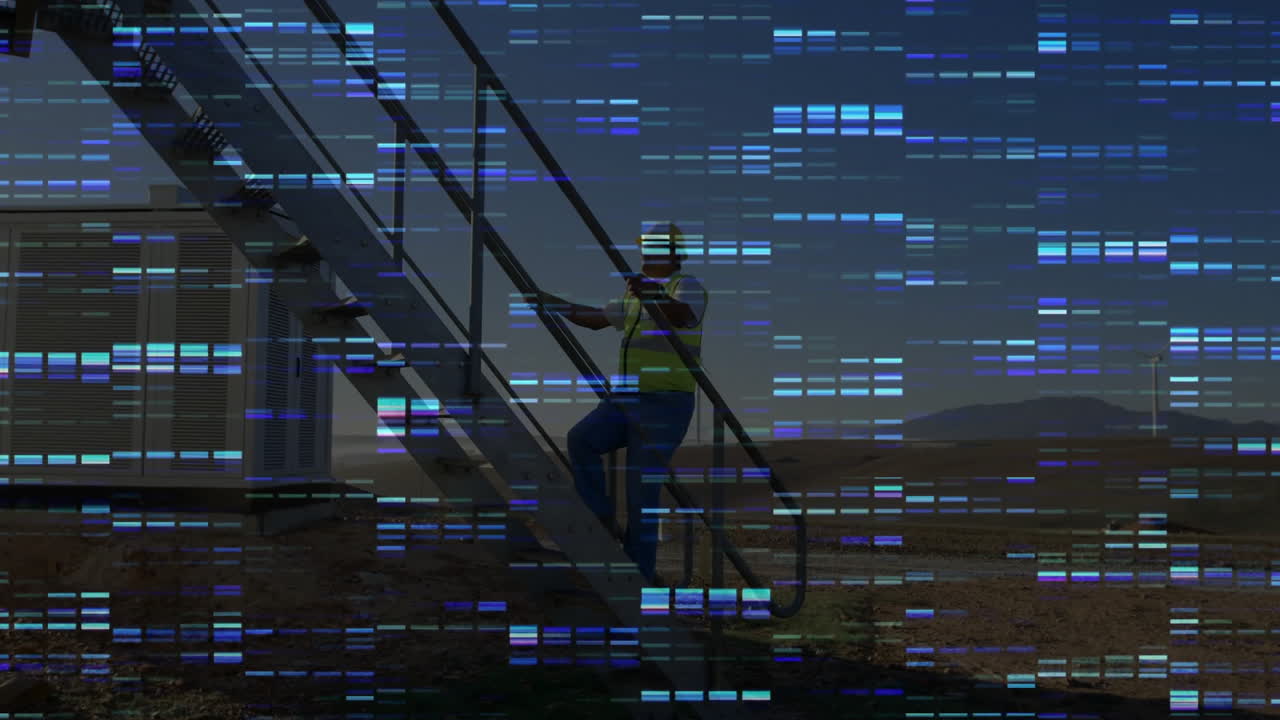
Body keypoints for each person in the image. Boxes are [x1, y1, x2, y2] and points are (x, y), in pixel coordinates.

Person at [535, 222, 707, 583]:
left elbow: (683, 315)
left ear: (673, 253)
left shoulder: (685, 286)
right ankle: (600, 518)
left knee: (642, 491)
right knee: (582, 439)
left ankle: (637, 576)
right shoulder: (633, 295)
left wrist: (650, 294)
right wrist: (556, 304)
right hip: (626, 399)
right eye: (644, 248)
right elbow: (597, 319)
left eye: (654, 248)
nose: (645, 254)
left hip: (666, 402)